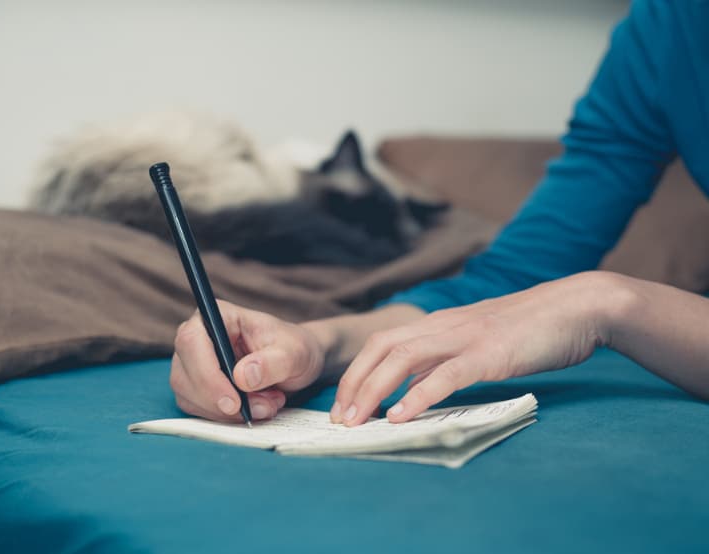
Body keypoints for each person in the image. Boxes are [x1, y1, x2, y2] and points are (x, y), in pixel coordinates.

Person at [169, 0, 709, 426]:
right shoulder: (664, 28)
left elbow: (574, 302)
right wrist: (315, 345)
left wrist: (611, 304)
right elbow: (508, 284)